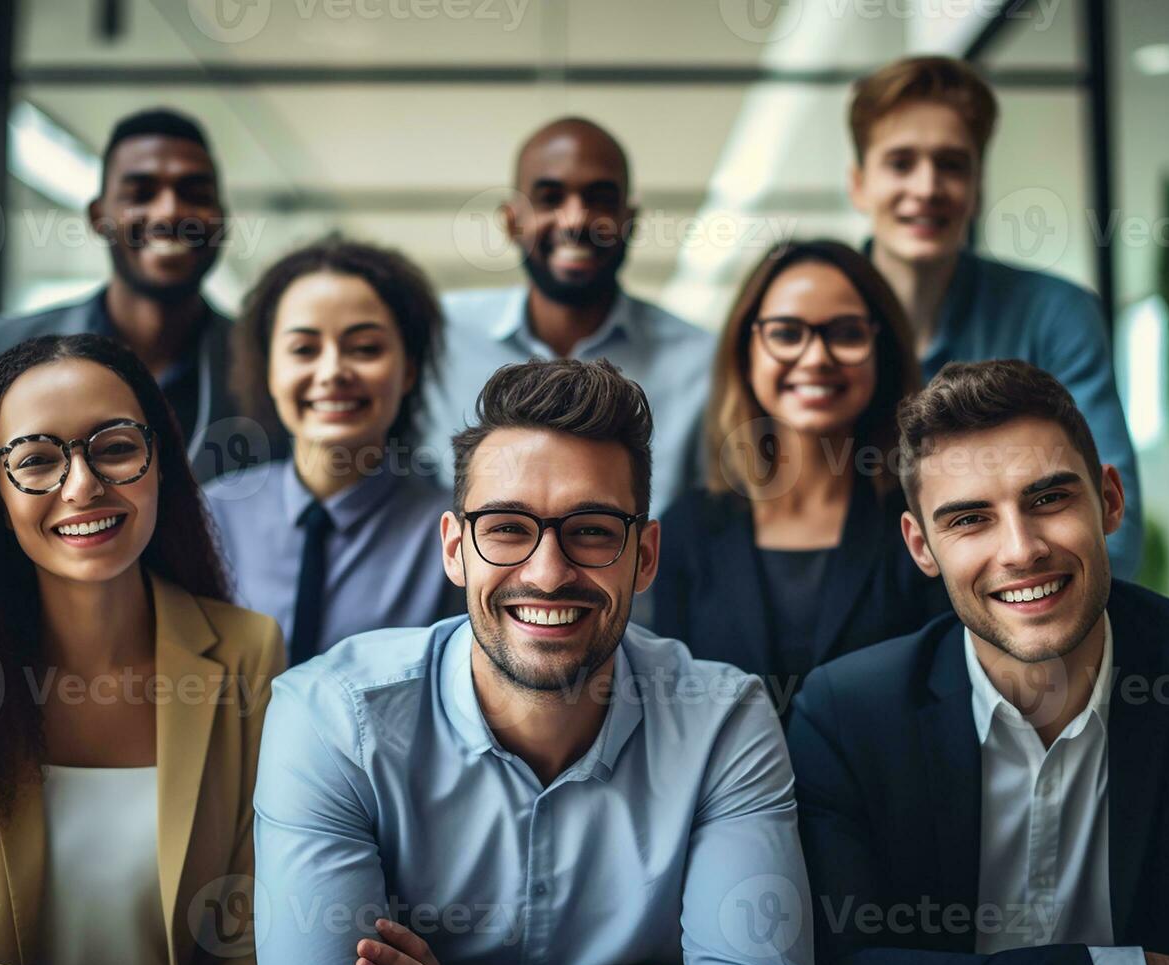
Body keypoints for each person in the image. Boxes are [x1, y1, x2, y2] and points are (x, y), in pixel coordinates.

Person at [254, 359, 813, 965]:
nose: (547, 574)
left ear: (645, 557)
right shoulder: (329, 717)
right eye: (508, 528)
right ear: (454, 549)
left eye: (593, 531)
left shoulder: (725, 723)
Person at [786, 360, 1169, 965]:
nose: (1022, 550)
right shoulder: (844, 713)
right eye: (970, 519)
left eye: (1049, 498)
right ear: (921, 546)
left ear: (1110, 501)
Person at [0, 334, 282, 965]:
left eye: (115, 449)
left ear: (158, 461)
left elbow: (252, 938)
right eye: (35, 461)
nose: (82, 486)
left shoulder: (249, 654)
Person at [0, 107, 252, 610]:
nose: (171, 211)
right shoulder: (0, 349)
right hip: (29, 657)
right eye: (141, 192)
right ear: (98, 217)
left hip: (206, 662)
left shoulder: (263, 365)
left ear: (222, 219)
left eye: (195, 192)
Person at [847, 55, 1144, 578]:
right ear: (859, 184)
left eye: (951, 164)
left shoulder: (1055, 312)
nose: (926, 187)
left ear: (978, 185)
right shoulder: (812, 324)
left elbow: (1109, 523)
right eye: (900, 163)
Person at [651, 240, 948, 713]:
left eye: (846, 333)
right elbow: (667, 716)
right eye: (787, 333)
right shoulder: (687, 530)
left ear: (882, 352)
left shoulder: (925, 524)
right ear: (746, 351)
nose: (815, 358)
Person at [417, 116, 716, 513]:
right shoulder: (438, 338)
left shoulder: (701, 362)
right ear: (511, 221)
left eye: (601, 199)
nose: (576, 219)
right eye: (550, 198)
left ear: (631, 221)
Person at [205, 237, 461, 664]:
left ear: (409, 370)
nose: (332, 372)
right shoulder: (213, 515)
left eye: (365, 348)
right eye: (304, 350)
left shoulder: (453, 536)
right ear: (269, 368)